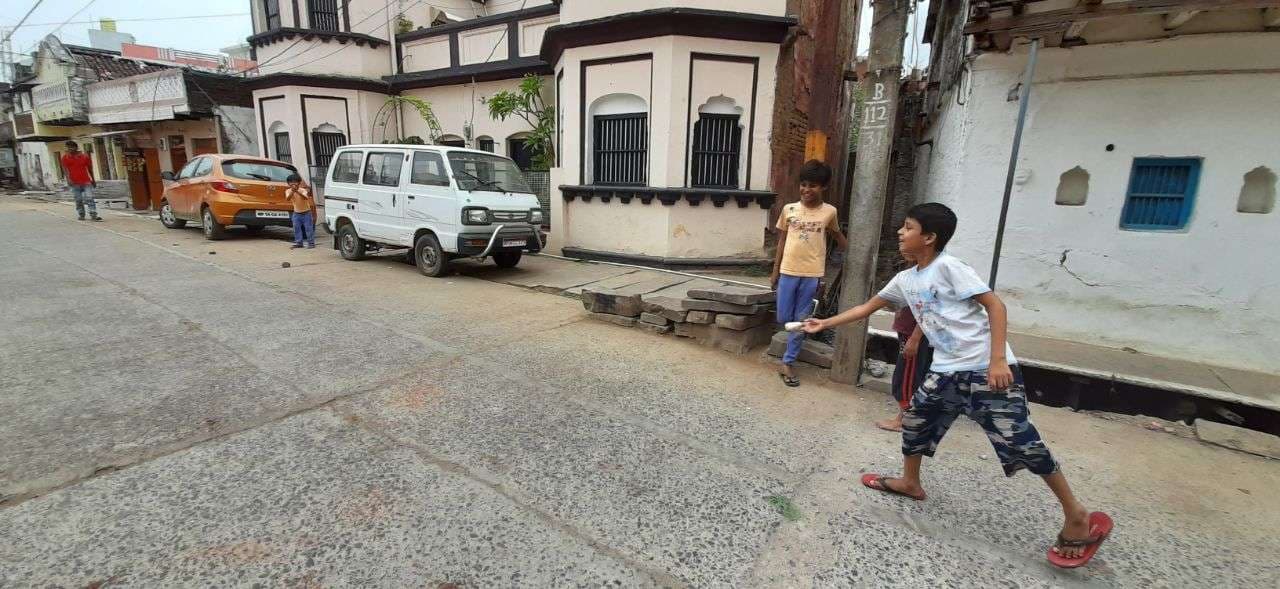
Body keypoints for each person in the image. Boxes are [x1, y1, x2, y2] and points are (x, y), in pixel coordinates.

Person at [803, 202, 1112, 568]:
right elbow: (867, 308)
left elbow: (995, 306)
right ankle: (910, 483)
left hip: (986, 368)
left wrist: (998, 360)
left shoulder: (950, 267)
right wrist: (824, 323)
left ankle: (1076, 515)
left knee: (1022, 443)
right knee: (916, 420)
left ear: (929, 238)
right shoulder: (906, 280)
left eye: (907, 228)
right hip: (946, 370)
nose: (900, 233)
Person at [770, 160, 847, 388]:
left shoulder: (829, 212)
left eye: (812, 185)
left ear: (823, 187)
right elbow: (782, 241)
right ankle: (792, 345)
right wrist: (775, 271)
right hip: (787, 271)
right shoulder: (789, 210)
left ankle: (788, 361)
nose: (806, 190)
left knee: (800, 320)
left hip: (812, 273)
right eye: (803, 184)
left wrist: (854, 253)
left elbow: (836, 235)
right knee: (784, 317)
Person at [876, 268, 933, 432]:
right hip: (907, 332)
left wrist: (915, 338)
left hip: (912, 335)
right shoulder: (912, 275)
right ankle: (904, 417)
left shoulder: (928, 278)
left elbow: (927, 311)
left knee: (907, 378)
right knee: (904, 374)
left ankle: (904, 420)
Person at [60, 141, 101, 222]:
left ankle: (93, 214)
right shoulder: (65, 158)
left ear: (76, 147)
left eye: (71, 147)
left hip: (86, 181)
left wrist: (93, 180)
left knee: (90, 197)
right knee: (78, 199)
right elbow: (65, 170)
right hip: (74, 182)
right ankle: (81, 214)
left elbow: (90, 169)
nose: (70, 149)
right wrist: (68, 179)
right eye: (68, 147)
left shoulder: (84, 157)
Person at [284, 173, 316, 249]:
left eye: (295, 182)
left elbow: (305, 197)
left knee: (308, 229)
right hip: (296, 213)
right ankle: (299, 243)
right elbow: (288, 199)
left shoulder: (303, 190)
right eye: (291, 182)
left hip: (306, 212)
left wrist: (297, 191)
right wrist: (293, 191)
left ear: (299, 183)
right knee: (296, 228)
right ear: (288, 183)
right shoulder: (288, 191)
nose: (293, 183)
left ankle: (311, 243)